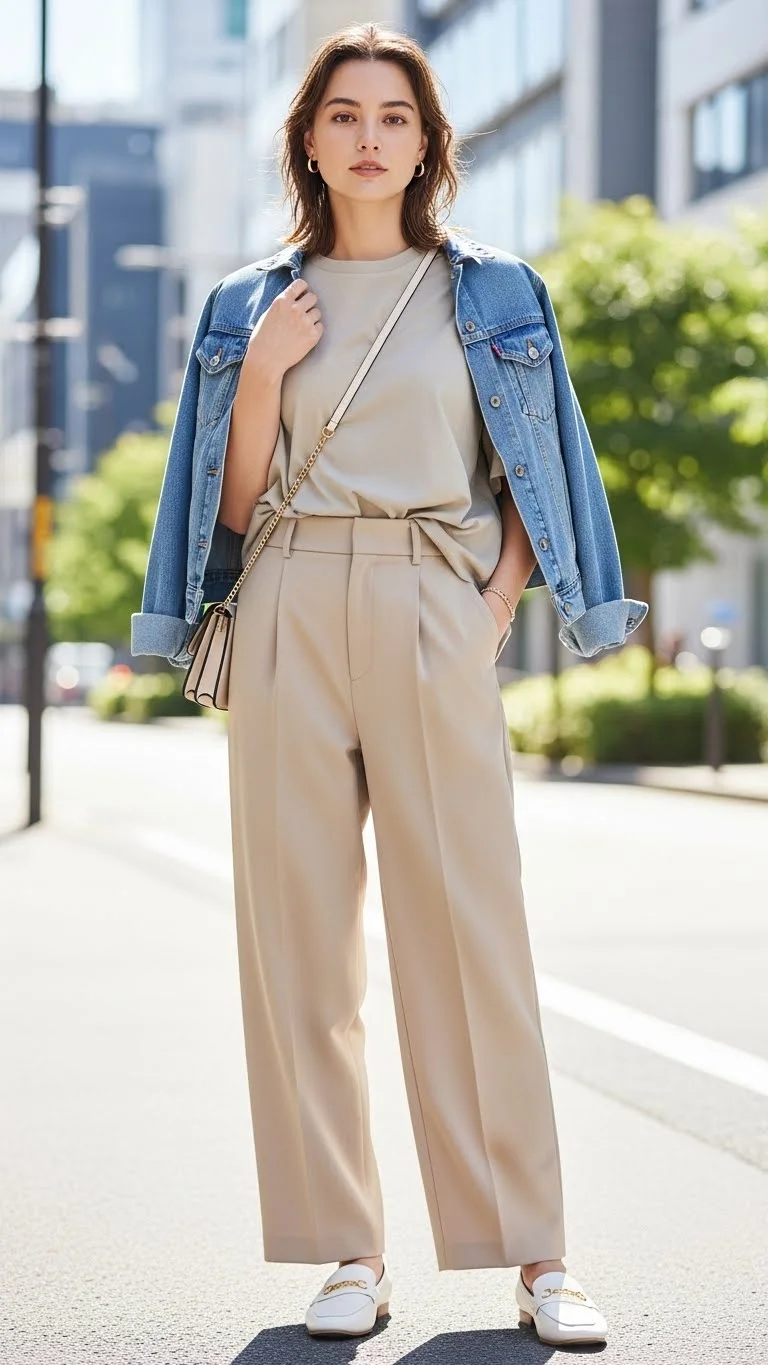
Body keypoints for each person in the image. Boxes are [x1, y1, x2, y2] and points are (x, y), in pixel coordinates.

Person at [131, 20, 648, 1349]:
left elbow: (541, 469)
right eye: (345, 114)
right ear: (308, 139)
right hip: (290, 594)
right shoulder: (249, 302)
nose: (369, 137)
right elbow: (230, 508)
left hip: (433, 600)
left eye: (396, 117)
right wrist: (258, 377)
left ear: (429, 144)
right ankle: (347, 1250)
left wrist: (491, 609)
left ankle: (535, 1256)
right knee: (299, 946)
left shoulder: (494, 292)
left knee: (471, 936)